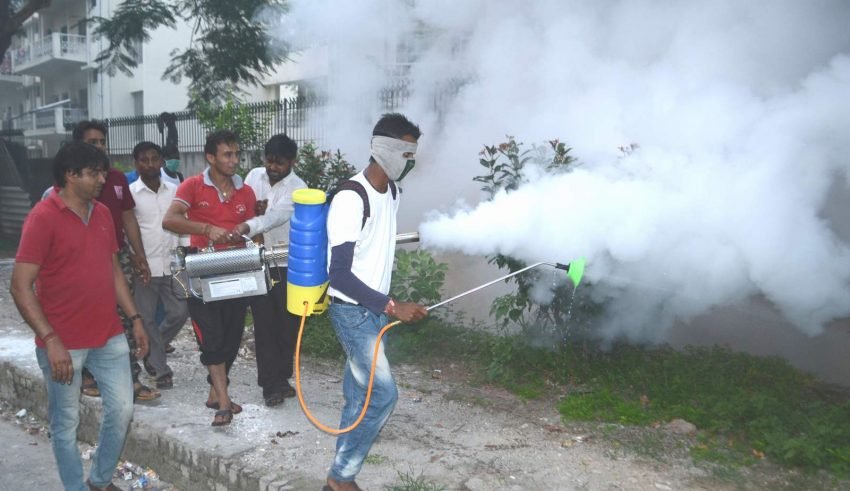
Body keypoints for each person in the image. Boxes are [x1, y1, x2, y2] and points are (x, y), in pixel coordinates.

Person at [10, 141, 149, 491]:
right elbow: (20, 287)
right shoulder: (42, 218)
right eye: (94, 173)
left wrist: (135, 318)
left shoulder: (101, 213)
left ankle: (99, 481)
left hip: (108, 334)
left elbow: (113, 270)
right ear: (70, 175)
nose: (102, 179)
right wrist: (50, 339)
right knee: (65, 423)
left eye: (103, 172)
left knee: (122, 410)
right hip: (63, 343)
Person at [323, 113, 428, 491]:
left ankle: (337, 477)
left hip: (374, 309)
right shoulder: (351, 198)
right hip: (351, 311)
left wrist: (386, 304)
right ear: (384, 149)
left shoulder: (393, 193)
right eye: (406, 152)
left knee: (358, 398)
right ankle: (341, 478)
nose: (411, 161)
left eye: (414, 153)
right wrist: (391, 306)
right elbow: (339, 274)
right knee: (382, 395)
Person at [162, 130, 257, 426]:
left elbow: (254, 229)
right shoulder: (192, 186)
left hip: (237, 270)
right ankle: (224, 402)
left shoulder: (246, 192)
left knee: (232, 336)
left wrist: (253, 247)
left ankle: (215, 392)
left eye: (236, 154)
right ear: (211, 158)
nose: (234, 160)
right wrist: (206, 229)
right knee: (211, 335)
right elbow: (170, 219)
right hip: (202, 270)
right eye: (227, 154)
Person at [67, 121, 158, 403]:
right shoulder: (68, 182)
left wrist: (139, 254)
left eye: (102, 142)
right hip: (83, 262)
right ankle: (87, 374)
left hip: (117, 258)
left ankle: (130, 377)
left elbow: (128, 217)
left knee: (126, 318)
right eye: (92, 142)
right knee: (87, 315)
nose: (99, 147)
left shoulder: (117, 178)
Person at [233, 134, 306, 406]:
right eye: (269, 161)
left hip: (287, 263)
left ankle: (282, 377)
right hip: (258, 261)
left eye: (280, 163)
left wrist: (252, 222)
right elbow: (240, 206)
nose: (273, 167)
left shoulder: (298, 188)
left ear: (292, 161)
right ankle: (269, 386)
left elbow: (277, 217)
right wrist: (251, 213)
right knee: (264, 325)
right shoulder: (253, 177)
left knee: (288, 325)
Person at [129, 141, 189, 390]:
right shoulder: (131, 193)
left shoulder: (175, 190)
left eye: (154, 159)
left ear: (162, 161)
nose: (150, 164)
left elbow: (183, 222)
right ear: (136, 164)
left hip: (174, 263)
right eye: (144, 160)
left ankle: (153, 349)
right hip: (145, 267)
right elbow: (127, 230)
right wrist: (134, 258)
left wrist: (185, 252)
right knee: (147, 319)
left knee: (180, 312)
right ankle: (160, 368)